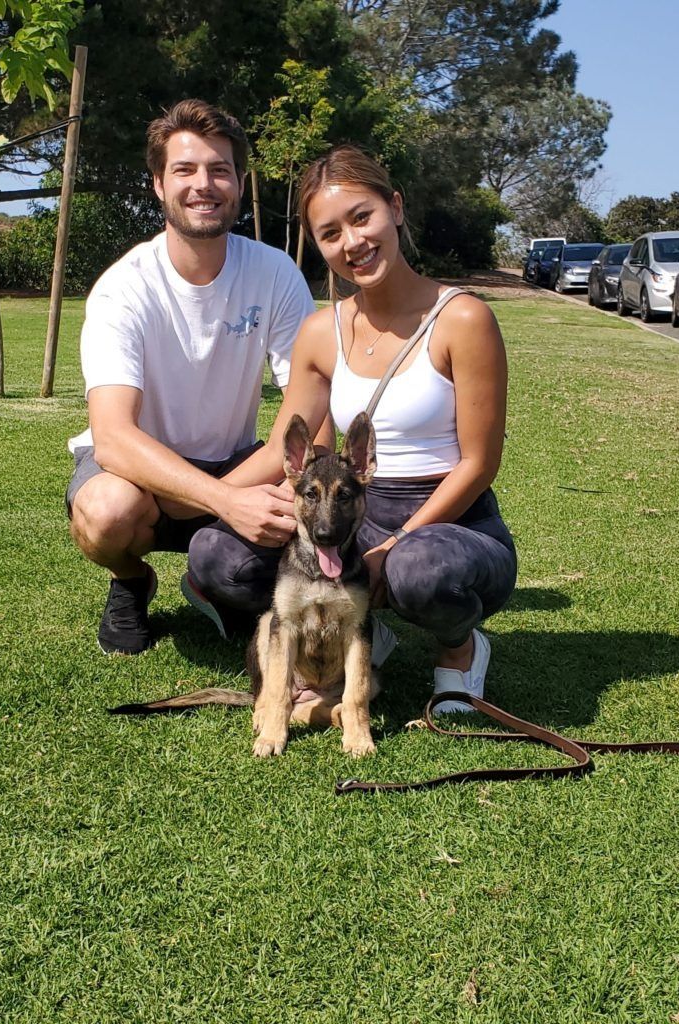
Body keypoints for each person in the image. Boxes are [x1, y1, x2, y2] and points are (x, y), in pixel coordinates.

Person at [187, 145, 517, 710]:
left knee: (420, 570)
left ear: (395, 207)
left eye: (362, 217)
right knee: (217, 554)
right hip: (346, 511)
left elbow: (478, 464)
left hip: (449, 516)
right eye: (330, 233)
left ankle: (460, 649)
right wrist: (210, 501)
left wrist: (395, 542)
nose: (353, 243)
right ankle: (362, 629)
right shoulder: (321, 332)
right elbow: (286, 448)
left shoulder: (462, 318)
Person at [66, 98, 329, 655]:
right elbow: (113, 436)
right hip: (138, 470)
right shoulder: (124, 288)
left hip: (237, 459)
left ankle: (215, 581)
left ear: (237, 182)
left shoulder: (274, 272)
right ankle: (131, 580)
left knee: (299, 506)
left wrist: (243, 492)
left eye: (220, 170)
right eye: (184, 170)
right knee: (106, 514)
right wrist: (226, 503)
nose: (203, 184)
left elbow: (308, 410)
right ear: (158, 184)